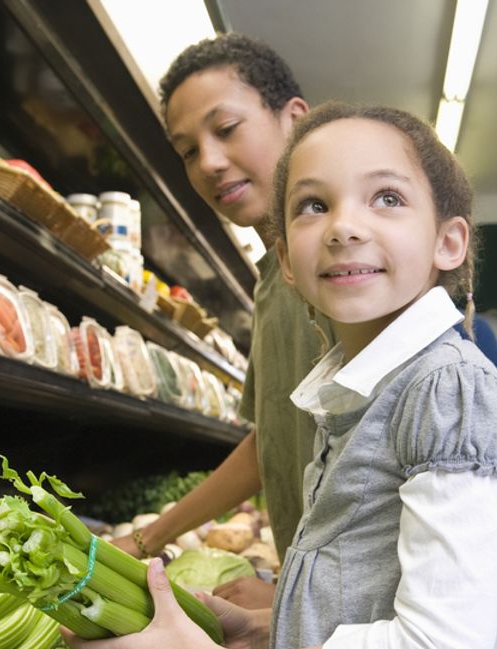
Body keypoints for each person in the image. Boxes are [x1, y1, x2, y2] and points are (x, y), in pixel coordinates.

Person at [67, 103, 497, 649]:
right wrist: (273, 627)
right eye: (311, 206)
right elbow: (382, 591)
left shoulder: (446, 389)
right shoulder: (358, 398)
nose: (345, 227)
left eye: (386, 198)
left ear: (449, 242)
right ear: (286, 262)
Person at [109, 34, 331, 609]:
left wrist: (296, 600)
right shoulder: (269, 283)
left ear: (294, 120)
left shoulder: (347, 269)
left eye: (226, 129)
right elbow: (272, 442)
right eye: (187, 150)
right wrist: (144, 539)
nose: (208, 162)